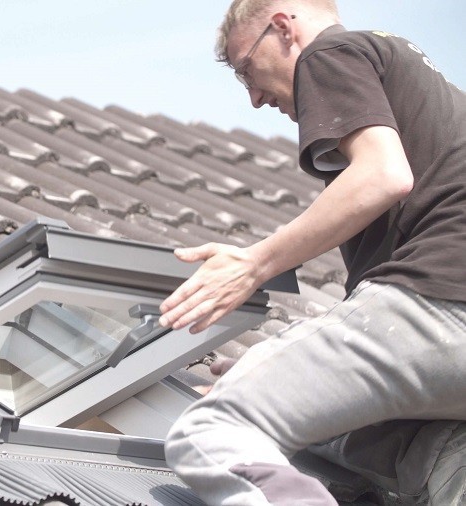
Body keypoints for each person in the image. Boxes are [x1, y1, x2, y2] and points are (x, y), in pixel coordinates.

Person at [158, 0, 466, 503]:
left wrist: (252, 264)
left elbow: (383, 176)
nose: (254, 98)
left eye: (246, 70)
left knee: (211, 429)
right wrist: (287, 373)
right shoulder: (428, 92)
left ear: (282, 28)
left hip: (437, 299)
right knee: (420, 452)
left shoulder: (331, 51)